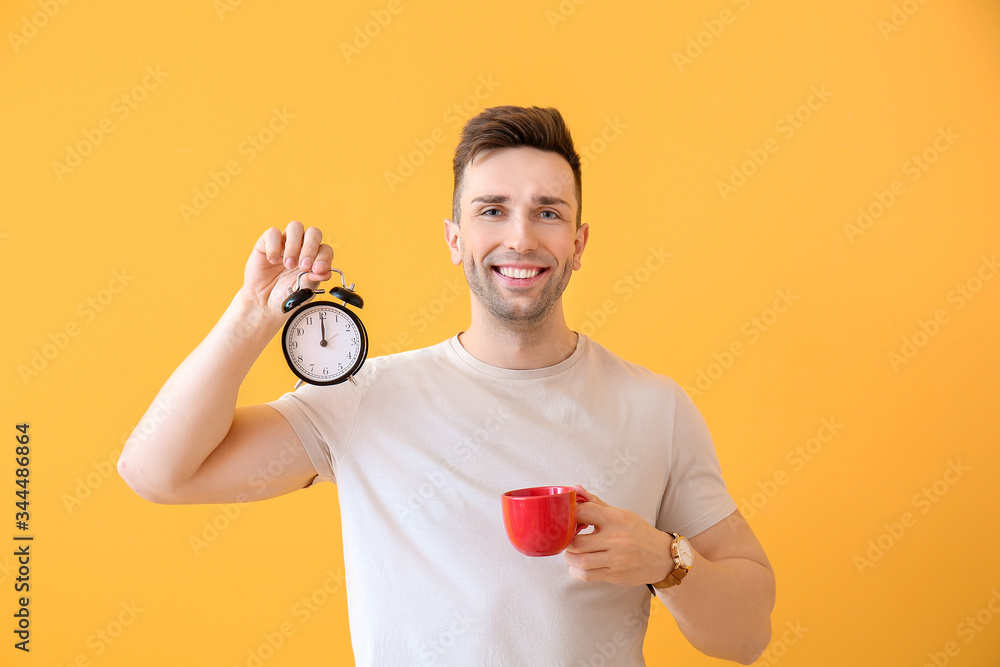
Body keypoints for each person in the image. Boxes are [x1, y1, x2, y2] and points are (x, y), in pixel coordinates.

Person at [118, 105, 775, 665]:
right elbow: (157, 471)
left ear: (578, 242)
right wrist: (251, 316)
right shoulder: (364, 400)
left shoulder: (655, 408)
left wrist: (666, 558)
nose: (520, 237)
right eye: (493, 210)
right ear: (455, 239)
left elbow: (747, 634)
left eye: (547, 212)